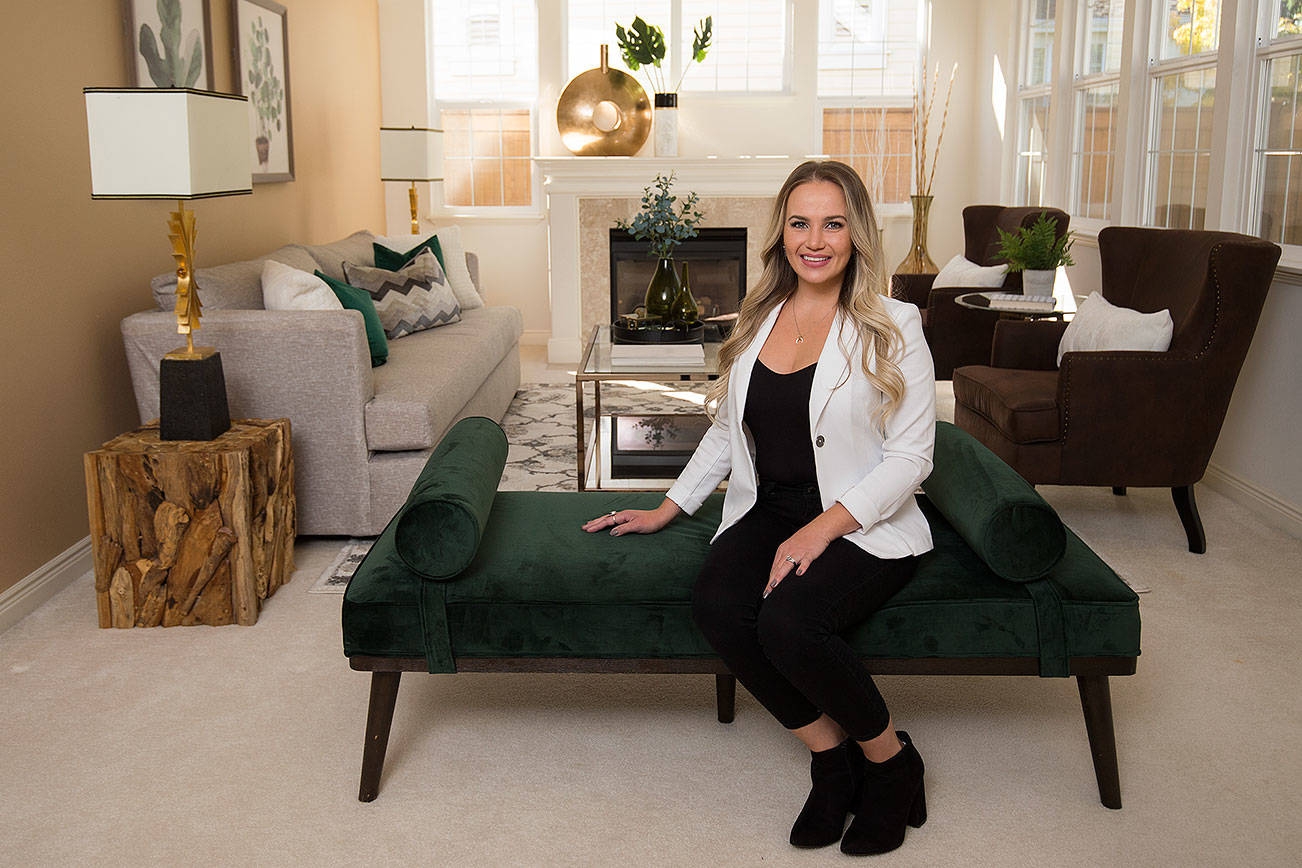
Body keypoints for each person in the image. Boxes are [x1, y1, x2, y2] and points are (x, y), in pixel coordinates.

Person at [582, 160, 936, 856]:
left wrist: (820, 531)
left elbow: (912, 457)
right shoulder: (758, 316)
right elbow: (725, 429)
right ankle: (831, 760)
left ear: (856, 234)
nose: (816, 240)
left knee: (789, 623)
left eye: (833, 223)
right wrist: (669, 506)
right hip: (767, 507)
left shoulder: (895, 325)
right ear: (782, 233)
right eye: (801, 223)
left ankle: (892, 763)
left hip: (859, 519)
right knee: (717, 605)